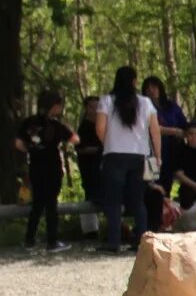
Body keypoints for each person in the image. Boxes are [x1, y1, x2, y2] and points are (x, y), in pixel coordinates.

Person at [95, 65, 162, 252]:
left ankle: (114, 242)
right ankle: (140, 241)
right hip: (139, 156)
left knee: (113, 200)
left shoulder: (106, 101)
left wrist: (108, 142)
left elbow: (100, 128)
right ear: (134, 82)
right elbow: (155, 131)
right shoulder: (146, 103)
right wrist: (158, 156)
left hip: (114, 155)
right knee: (138, 200)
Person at [14, 91, 77, 252]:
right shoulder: (55, 125)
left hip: (36, 166)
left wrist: (31, 150)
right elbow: (75, 139)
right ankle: (52, 241)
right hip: (52, 167)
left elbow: (18, 144)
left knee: (37, 204)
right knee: (51, 204)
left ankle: (29, 240)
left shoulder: (29, 122)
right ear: (53, 106)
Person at [145, 76, 187, 194]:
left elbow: (184, 126)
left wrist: (183, 133)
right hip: (150, 152)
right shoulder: (143, 108)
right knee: (153, 186)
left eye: (154, 87)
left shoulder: (172, 106)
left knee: (167, 184)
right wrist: (173, 131)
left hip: (172, 152)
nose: (151, 91)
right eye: (147, 89)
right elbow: (150, 128)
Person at [74, 95, 104, 236]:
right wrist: (99, 150)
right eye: (92, 107)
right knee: (91, 195)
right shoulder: (85, 127)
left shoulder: (102, 125)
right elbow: (81, 148)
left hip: (102, 167)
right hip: (89, 166)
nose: (95, 110)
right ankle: (90, 230)